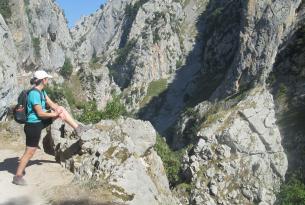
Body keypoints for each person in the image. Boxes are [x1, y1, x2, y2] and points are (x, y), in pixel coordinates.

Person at [12, 70, 88, 186]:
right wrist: (55, 115)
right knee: (30, 152)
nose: (48, 80)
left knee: (61, 108)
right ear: (43, 80)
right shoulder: (34, 94)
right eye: (47, 78)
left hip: (40, 122)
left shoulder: (42, 92)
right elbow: (40, 113)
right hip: (33, 126)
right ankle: (17, 176)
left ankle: (78, 128)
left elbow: (52, 104)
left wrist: (58, 110)